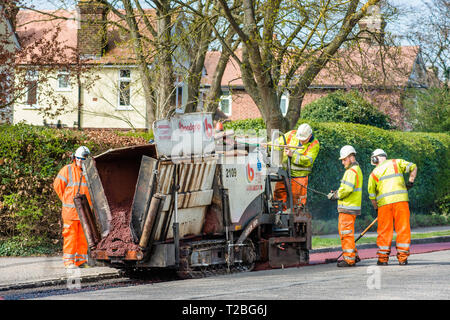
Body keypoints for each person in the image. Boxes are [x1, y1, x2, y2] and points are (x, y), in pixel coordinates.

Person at [367, 149, 417, 266]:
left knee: (384, 231)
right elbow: (413, 167)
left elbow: (372, 196)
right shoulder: (397, 162)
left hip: (384, 205)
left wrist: (376, 209)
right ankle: (403, 258)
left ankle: (383, 259)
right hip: (401, 202)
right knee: (403, 229)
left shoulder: (373, 173)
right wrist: (410, 181)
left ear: (375, 159)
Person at [53, 146, 92, 269]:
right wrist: (66, 200)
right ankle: (69, 262)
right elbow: (58, 186)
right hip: (71, 212)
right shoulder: (67, 170)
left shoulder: (90, 172)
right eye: (79, 159)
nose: (81, 162)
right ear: (75, 158)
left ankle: (81, 261)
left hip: (84, 212)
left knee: (83, 238)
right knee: (70, 236)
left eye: (84, 160)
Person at [328, 145, 363, 267]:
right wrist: (337, 193)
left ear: (350, 157)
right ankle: (354, 255)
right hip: (351, 207)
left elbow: (346, 189)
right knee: (348, 233)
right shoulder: (356, 170)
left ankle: (349, 260)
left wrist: (335, 195)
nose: (342, 162)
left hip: (348, 208)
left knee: (345, 233)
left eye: (344, 159)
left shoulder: (351, 172)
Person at [273, 123, 320, 208]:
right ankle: (278, 216)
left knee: (297, 202)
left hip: (299, 177)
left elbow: (308, 161)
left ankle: (296, 219)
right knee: (278, 196)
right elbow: (276, 143)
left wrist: (292, 156)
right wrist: (266, 146)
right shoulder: (291, 134)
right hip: (284, 173)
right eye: (300, 139)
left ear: (310, 136)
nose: (301, 141)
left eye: (304, 139)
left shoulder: (314, 144)